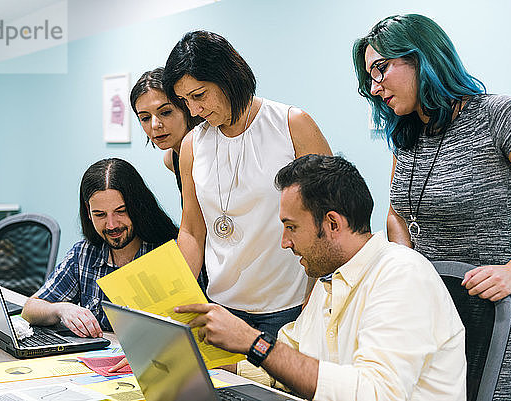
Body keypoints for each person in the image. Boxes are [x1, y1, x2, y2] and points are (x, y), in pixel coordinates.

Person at [175, 154, 466, 400]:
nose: (285, 242)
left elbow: (375, 393)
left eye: (291, 227)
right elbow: (291, 357)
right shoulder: (332, 277)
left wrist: (253, 342)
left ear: (332, 223)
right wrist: (207, 366)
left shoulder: (402, 275)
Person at [352, 14, 511, 398]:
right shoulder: (407, 137)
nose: (375, 89)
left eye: (381, 70)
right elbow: (398, 212)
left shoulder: (498, 116)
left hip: (502, 316)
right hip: (439, 315)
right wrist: (406, 269)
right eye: (368, 80)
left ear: (422, 57)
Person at [162, 30, 332, 336]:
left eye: (199, 95)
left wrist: (319, 293)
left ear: (227, 77)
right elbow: (191, 231)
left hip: (289, 308)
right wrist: (170, 308)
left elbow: (334, 218)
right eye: (185, 100)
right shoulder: (191, 146)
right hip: (221, 309)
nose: (194, 111)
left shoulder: (291, 125)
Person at [21, 158, 178, 338]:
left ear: (137, 207)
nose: (111, 225)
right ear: (88, 212)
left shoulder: (167, 253)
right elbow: (29, 310)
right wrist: (60, 308)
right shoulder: (84, 254)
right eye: (100, 214)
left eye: (121, 211)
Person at [130, 67, 208, 291]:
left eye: (165, 112)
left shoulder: (206, 151)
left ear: (185, 108)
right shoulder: (170, 159)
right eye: (145, 118)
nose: (155, 125)